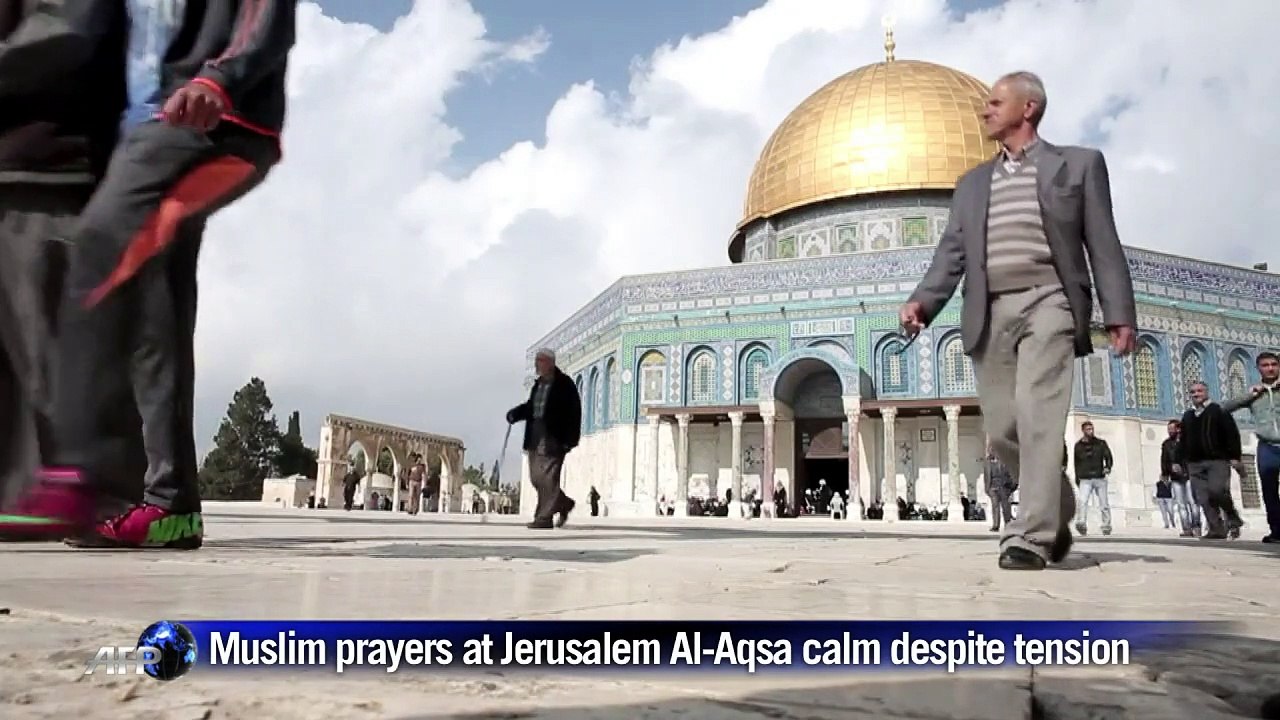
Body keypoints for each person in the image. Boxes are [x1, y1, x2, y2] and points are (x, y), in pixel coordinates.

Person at [10, 0, 298, 549]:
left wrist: (218, 78)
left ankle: (76, 474)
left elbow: (264, 18)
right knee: (156, 319)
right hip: (138, 131)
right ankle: (170, 506)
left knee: (96, 249)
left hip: (203, 119)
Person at [899, 70, 1137, 571]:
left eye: (995, 102)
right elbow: (952, 253)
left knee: (1037, 416)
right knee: (1004, 428)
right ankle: (1056, 505)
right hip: (991, 309)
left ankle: (1029, 535)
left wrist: (1118, 313)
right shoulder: (972, 184)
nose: (983, 109)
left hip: (1050, 300)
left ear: (1028, 108)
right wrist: (923, 302)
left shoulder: (1078, 165)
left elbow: (1103, 241)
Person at [0, 0, 127, 540]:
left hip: (47, 175)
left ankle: (81, 490)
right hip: (16, 171)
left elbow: (68, 29)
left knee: (44, 348)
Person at [506, 348, 581, 529]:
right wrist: (515, 414)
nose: (536, 365)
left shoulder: (564, 385)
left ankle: (543, 518)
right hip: (535, 436)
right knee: (536, 478)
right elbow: (532, 408)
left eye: (540, 361)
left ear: (550, 363)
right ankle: (563, 503)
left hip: (554, 438)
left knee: (548, 478)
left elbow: (574, 413)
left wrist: (569, 439)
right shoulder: (538, 385)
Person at [1222, 351, 1280, 543]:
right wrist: (1250, 394)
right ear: (1258, 369)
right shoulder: (1255, 394)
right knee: (1269, 491)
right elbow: (1224, 408)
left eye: (1273, 364)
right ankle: (1277, 531)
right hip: (1267, 446)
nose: (1270, 368)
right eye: (1265, 365)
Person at [1178, 382, 1246, 540]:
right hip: (1194, 463)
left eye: (1199, 391)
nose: (1196, 394)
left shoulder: (1218, 411)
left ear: (1207, 392)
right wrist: (1179, 461)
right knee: (1203, 498)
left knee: (1217, 490)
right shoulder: (1188, 415)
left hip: (1217, 460)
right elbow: (1183, 440)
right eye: (1193, 392)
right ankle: (1216, 529)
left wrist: (1235, 456)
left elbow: (1232, 434)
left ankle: (1232, 516)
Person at [1072, 421, 1114, 536]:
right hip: (1085, 478)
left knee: (1104, 503)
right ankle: (1081, 523)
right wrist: (1077, 479)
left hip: (1099, 477)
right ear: (1083, 431)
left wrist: (1107, 467)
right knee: (1082, 501)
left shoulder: (1100, 443)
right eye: (1088, 429)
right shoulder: (1078, 446)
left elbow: (1108, 457)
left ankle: (1106, 525)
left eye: (1091, 429)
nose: (1090, 431)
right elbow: (1077, 463)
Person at [1160, 419, 1199, 537]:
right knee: (1181, 504)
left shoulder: (1188, 442)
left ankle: (1196, 526)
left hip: (1189, 476)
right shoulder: (1166, 444)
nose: (1170, 432)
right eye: (1168, 430)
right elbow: (1164, 460)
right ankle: (1186, 528)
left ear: (1178, 429)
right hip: (1176, 478)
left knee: (1193, 503)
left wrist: (1185, 468)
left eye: (1172, 429)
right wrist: (1166, 472)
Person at [983, 445, 1016, 532]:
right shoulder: (988, 464)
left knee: (1005, 507)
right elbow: (986, 477)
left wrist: (1012, 487)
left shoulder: (1005, 462)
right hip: (993, 488)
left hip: (1003, 487)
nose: (993, 453)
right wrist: (987, 489)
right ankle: (995, 525)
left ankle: (1007, 524)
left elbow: (1012, 475)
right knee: (995, 506)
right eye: (991, 451)